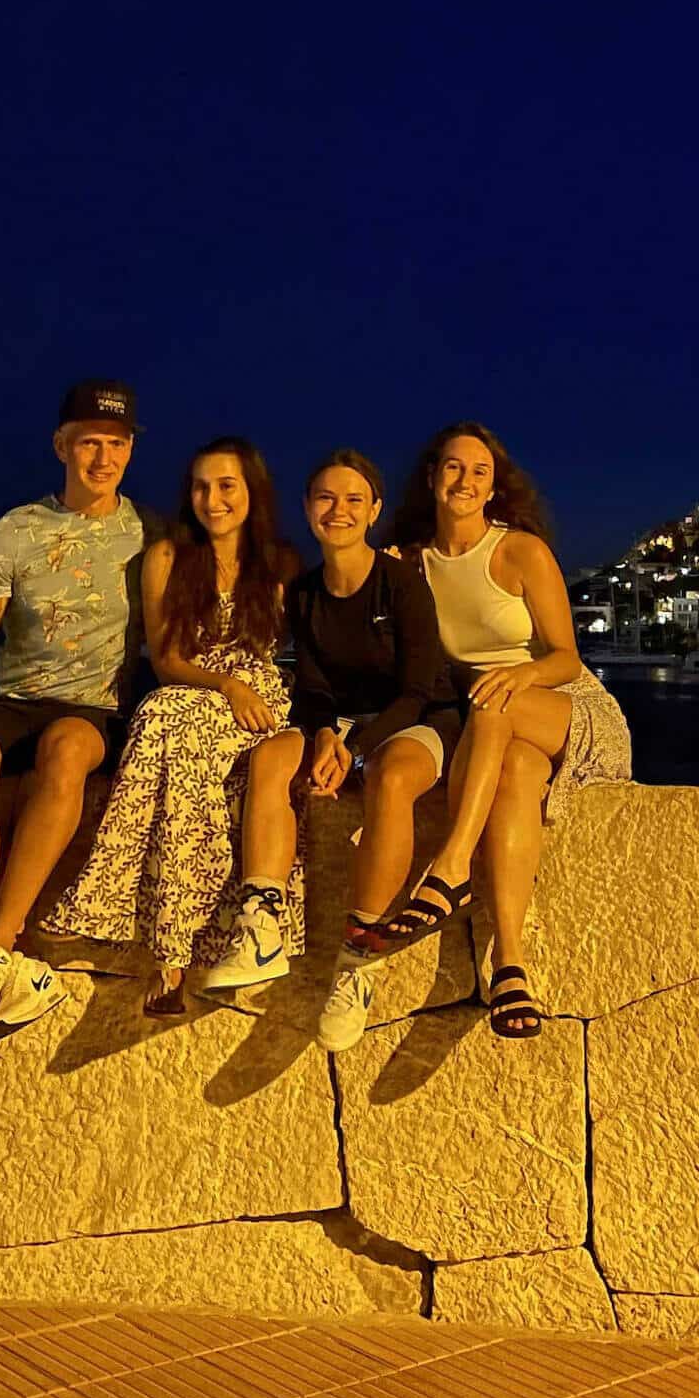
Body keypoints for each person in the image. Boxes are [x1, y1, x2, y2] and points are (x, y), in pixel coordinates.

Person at [378, 421, 632, 1037]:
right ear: (433, 476)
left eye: (479, 471)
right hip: (498, 729)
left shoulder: (518, 550)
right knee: (515, 775)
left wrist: (520, 676)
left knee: (492, 701)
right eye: (454, 467)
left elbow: (566, 656)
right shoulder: (412, 564)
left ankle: (452, 865)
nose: (465, 480)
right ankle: (510, 966)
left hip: (566, 706)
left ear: (494, 486)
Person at [204, 450, 460, 1052]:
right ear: (308, 509)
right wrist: (324, 735)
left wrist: (359, 749)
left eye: (352, 500)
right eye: (324, 498)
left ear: (374, 511)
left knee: (391, 780)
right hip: (342, 723)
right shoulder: (307, 593)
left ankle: (358, 958)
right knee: (270, 758)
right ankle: (261, 923)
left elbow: (419, 688)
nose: (337, 510)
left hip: (419, 718)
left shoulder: (401, 584)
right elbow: (314, 686)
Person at [0, 378, 154, 1038]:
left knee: (68, 751)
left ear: (130, 451)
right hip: (13, 703)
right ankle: (19, 961)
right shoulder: (15, 531)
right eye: (89, 443)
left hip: (95, 711)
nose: (103, 458)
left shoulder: (149, 536)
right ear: (61, 445)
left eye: (117, 444)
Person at [41, 437, 302, 1013]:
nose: (212, 499)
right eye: (201, 486)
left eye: (226, 485)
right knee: (165, 715)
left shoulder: (277, 564)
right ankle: (176, 951)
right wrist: (222, 686)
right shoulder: (168, 558)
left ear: (251, 492)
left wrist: (242, 690)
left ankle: (124, 917)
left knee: (168, 726)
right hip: (198, 689)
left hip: (257, 702)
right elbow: (166, 660)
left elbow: (283, 657)